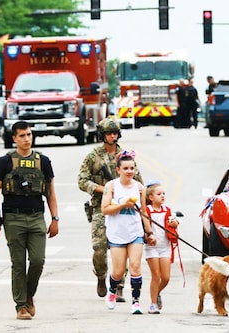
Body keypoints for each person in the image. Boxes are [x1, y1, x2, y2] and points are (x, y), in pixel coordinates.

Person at [0, 120, 59, 320]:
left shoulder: (43, 161)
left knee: (38, 260)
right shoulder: (5, 161)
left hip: (37, 217)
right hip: (13, 218)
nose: (26, 139)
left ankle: (29, 295)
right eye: (22, 136)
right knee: (18, 264)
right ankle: (21, 306)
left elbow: (51, 193)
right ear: (14, 139)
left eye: (29, 134)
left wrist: (55, 218)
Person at [78, 117, 143, 301]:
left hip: (124, 210)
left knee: (124, 244)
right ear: (102, 135)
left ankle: (120, 285)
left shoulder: (124, 156)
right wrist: (104, 190)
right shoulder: (93, 156)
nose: (112, 136)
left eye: (115, 133)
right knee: (99, 248)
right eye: (108, 133)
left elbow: (138, 180)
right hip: (101, 207)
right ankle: (101, 276)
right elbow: (82, 180)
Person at [101, 152, 156, 314]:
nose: (129, 171)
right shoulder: (111, 186)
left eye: (132, 168)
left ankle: (136, 302)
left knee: (135, 266)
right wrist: (122, 205)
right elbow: (105, 209)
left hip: (135, 232)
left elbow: (144, 212)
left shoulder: (140, 188)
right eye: (125, 168)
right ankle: (112, 291)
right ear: (118, 170)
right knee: (118, 271)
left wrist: (149, 232)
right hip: (117, 233)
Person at [143, 182, 179, 314]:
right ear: (151, 197)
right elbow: (144, 226)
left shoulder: (167, 209)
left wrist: (174, 224)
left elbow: (173, 223)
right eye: (159, 194)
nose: (162, 196)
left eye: (163, 194)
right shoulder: (147, 210)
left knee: (166, 277)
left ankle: (156, 293)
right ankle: (153, 304)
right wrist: (148, 236)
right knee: (156, 276)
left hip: (165, 246)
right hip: (151, 247)